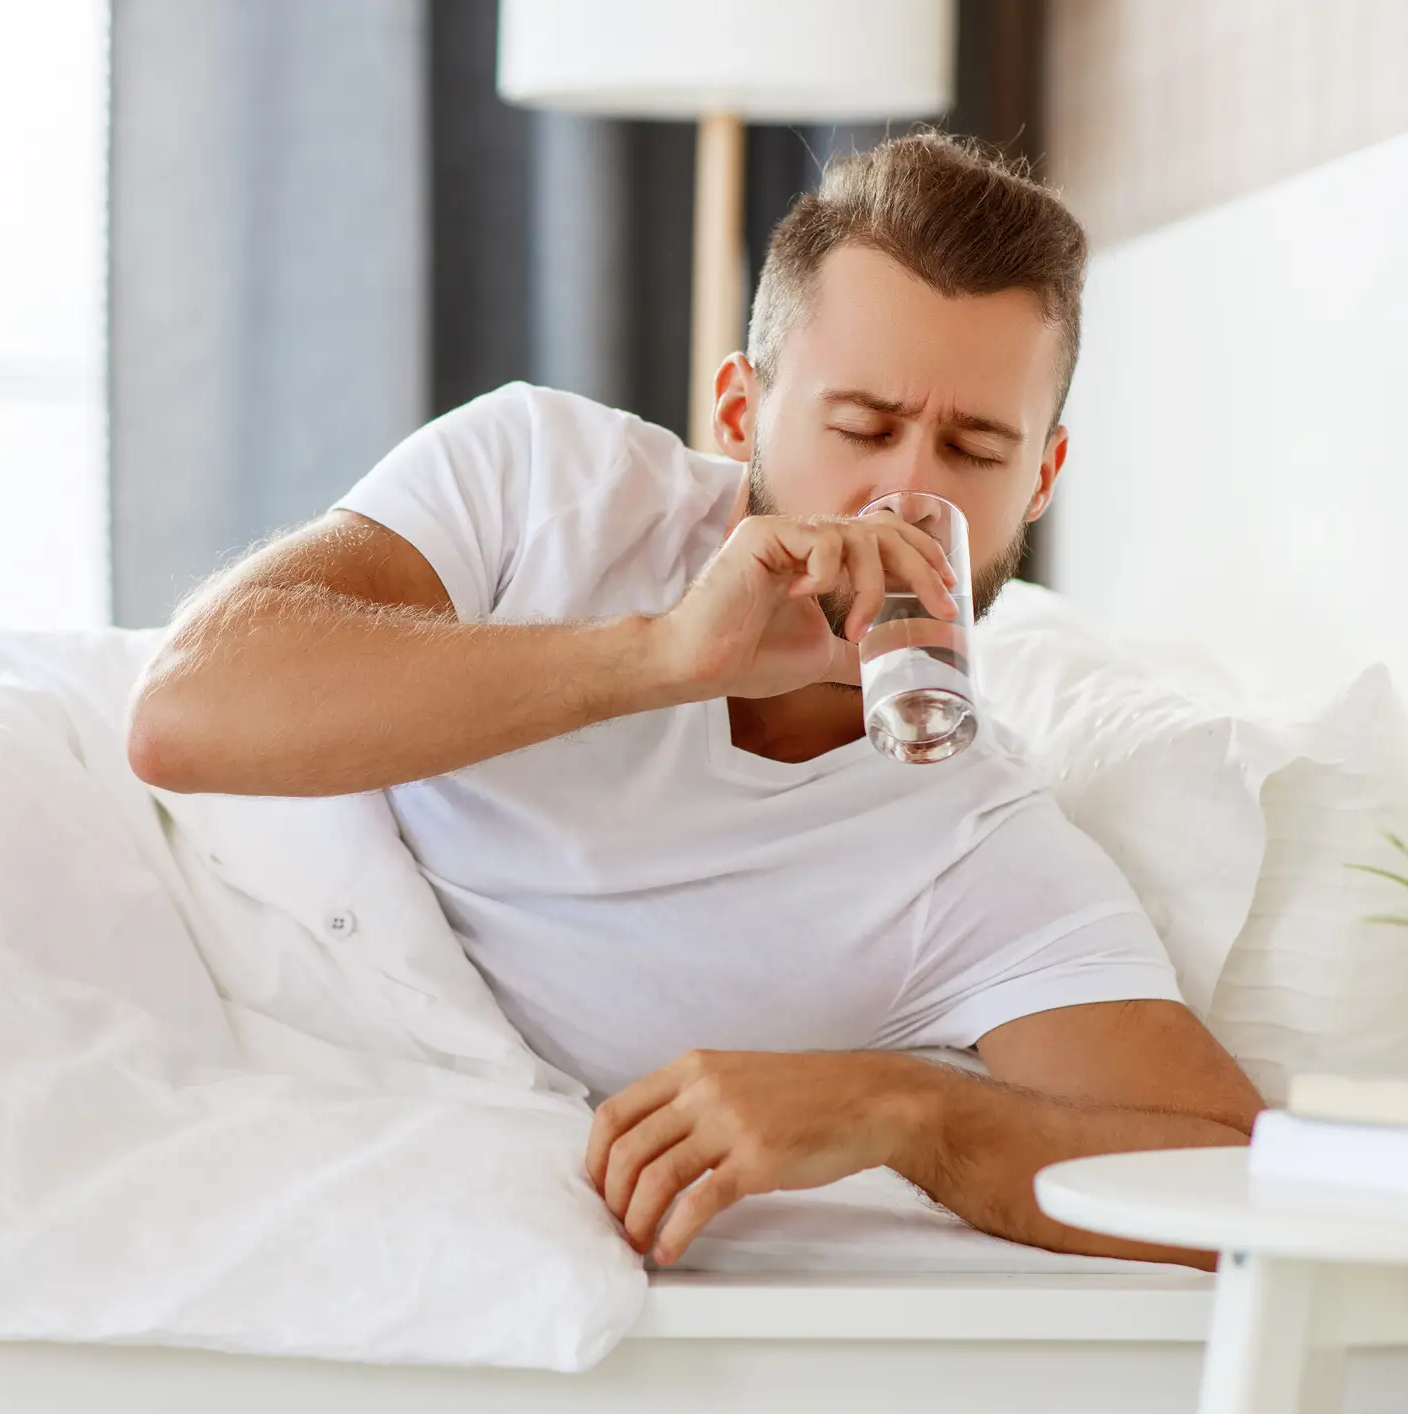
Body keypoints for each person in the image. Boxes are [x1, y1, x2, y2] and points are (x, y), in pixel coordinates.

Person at [128, 131, 1263, 1270]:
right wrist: (664, 657)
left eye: (973, 449)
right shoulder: (544, 478)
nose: (904, 495)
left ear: (1042, 481)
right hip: (156, 900)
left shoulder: (973, 851)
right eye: (861, 429)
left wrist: (909, 1109)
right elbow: (182, 714)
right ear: (738, 411)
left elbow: (1240, 1178)